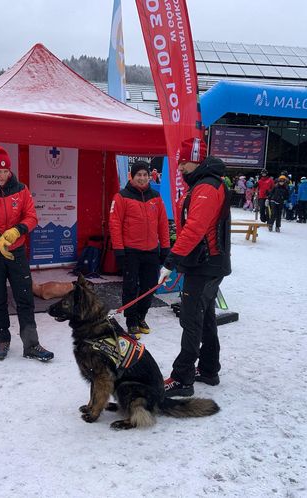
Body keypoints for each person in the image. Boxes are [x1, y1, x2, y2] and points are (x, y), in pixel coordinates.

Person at [158, 137, 231, 397]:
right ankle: (209, 369)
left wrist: (171, 260)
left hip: (205, 265)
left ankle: (182, 378)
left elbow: (196, 228)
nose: (179, 169)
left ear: (195, 160)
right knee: (205, 318)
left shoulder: (206, 188)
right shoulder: (201, 184)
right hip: (205, 263)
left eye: (182, 163)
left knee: (190, 320)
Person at [0, 145, 53, 362]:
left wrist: (17, 231)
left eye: (6, 171)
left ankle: (31, 344)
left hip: (16, 251)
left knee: (25, 299)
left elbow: (31, 216)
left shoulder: (21, 188)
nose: (3, 176)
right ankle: (2, 341)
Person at [109, 160, 170, 337]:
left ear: (150, 176)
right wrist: (119, 250)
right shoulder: (121, 196)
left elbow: (163, 224)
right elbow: (115, 225)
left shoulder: (156, 197)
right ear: (132, 176)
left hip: (151, 250)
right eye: (139, 175)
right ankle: (131, 321)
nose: (142, 178)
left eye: (145, 175)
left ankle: (141, 316)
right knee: (130, 287)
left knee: (150, 286)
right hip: (131, 251)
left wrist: (165, 247)